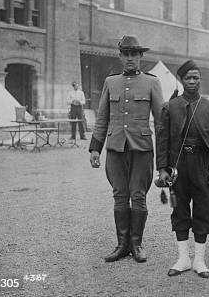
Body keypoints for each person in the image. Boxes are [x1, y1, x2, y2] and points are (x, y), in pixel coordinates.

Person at [89, 35, 163, 263]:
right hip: (115, 148)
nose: (130, 58)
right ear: (120, 56)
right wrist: (95, 148)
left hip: (141, 149)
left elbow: (160, 123)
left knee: (138, 196)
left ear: (141, 57)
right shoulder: (111, 82)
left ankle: (136, 244)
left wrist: (163, 161)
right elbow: (102, 117)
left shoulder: (152, 83)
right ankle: (122, 245)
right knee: (120, 196)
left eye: (134, 54)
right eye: (126, 54)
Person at [156, 60, 209, 279]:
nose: (193, 81)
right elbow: (162, 140)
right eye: (188, 78)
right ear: (182, 80)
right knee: (178, 208)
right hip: (178, 166)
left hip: (203, 164)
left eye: (196, 77)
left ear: (200, 80)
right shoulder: (170, 107)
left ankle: (199, 259)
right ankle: (183, 258)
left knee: (204, 209)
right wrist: (162, 169)